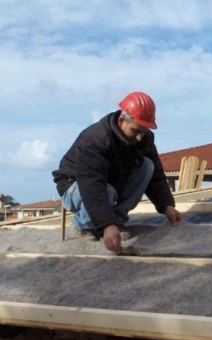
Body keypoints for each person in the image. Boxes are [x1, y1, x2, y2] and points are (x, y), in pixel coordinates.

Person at [52, 91, 182, 254]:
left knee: (147, 166)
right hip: (75, 185)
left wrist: (167, 206)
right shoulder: (95, 140)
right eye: (136, 131)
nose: (140, 137)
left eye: (144, 131)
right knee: (106, 191)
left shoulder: (143, 138)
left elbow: (156, 174)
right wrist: (106, 224)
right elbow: (92, 185)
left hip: (108, 183)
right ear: (122, 121)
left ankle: (118, 221)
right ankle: (83, 226)